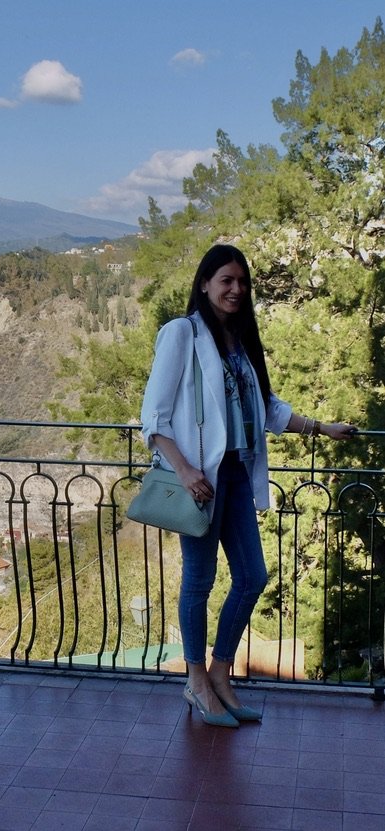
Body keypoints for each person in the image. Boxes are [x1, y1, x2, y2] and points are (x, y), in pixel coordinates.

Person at [140, 243, 357, 727]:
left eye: (242, 282)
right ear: (204, 284)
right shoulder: (182, 334)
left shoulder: (240, 341)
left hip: (237, 474)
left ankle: (220, 674)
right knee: (199, 579)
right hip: (201, 481)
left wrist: (323, 428)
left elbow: (269, 408)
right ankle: (196, 682)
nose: (236, 289)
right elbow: (153, 416)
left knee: (252, 576)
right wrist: (184, 469)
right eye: (226, 281)